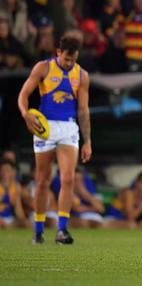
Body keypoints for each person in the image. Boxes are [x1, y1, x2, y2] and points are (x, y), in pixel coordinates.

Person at [17, 30, 92, 245]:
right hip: (45, 127)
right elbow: (23, 95)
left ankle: (62, 231)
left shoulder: (82, 75)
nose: (69, 63)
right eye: (67, 59)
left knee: (68, 178)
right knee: (42, 181)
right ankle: (39, 231)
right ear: (58, 52)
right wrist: (26, 114)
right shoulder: (43, 68)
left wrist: (87, 141)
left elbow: (84, 110)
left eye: (73, 59)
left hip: (69, 127)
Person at [0, 159, 28, 228]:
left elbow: (20, 214)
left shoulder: (16, 187)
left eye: (7, 170)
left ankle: (7, 227)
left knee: (27, 223)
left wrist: (17, 201)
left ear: (13, 172)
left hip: (11, 219)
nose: (4, 173)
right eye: (2, 170)